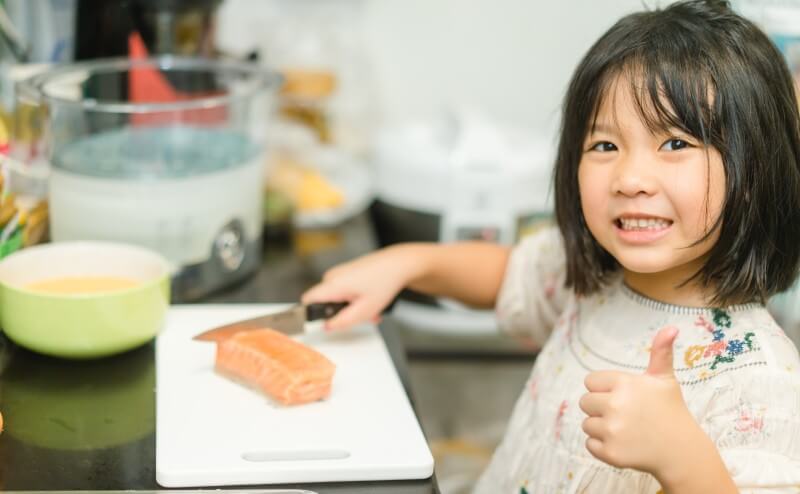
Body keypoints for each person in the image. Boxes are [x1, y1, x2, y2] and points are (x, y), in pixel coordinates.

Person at [302, 0, 800, 491]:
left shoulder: (762, 379)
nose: (629, 178)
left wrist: (683, 460)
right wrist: (407, 263)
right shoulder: (592, 277)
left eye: (675, 144)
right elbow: (506, 274)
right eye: (604, 145)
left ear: (755, 169)